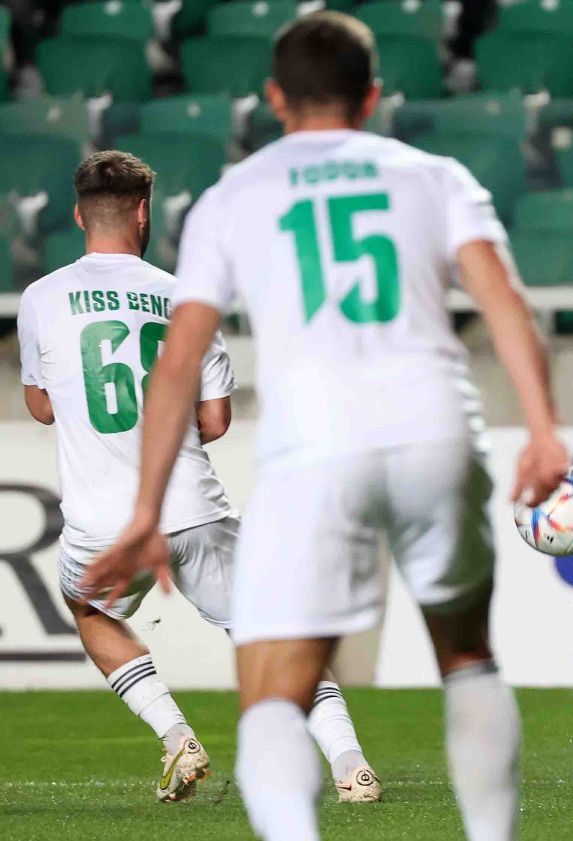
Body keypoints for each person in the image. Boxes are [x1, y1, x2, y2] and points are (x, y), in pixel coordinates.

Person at [79, 13, 569, 841]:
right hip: (437, 427)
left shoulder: (235, 196)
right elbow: (505, 303)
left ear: (274, 98)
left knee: (275, 690)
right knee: (467, 657)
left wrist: (145, 510)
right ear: (372, 96)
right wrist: (544, 430)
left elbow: (178, 361)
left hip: (314, 447)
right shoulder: (434, 175)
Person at [17, 150, 380, 804]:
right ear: (143, 212)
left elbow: (41, 407)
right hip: (193, 506)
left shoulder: (40, 299)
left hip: (103, 521)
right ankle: (351, 765)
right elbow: (215, 419)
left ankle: (177, 734)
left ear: (77, 215)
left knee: (90, 610)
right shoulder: (186, 295)